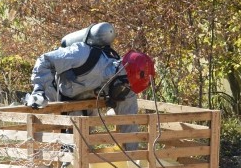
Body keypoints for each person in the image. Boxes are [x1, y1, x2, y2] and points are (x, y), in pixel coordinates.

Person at [24, 22, 155, 117]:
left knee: (84, 145)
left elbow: (129, 125)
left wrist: (132, 154)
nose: (125, 89)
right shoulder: (83, 54)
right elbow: (45, 60)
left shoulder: (125, 88)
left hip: (83, 108)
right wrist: (39, 90)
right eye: (127, 84)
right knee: (52, 142)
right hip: (55, 95)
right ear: (125, 73)